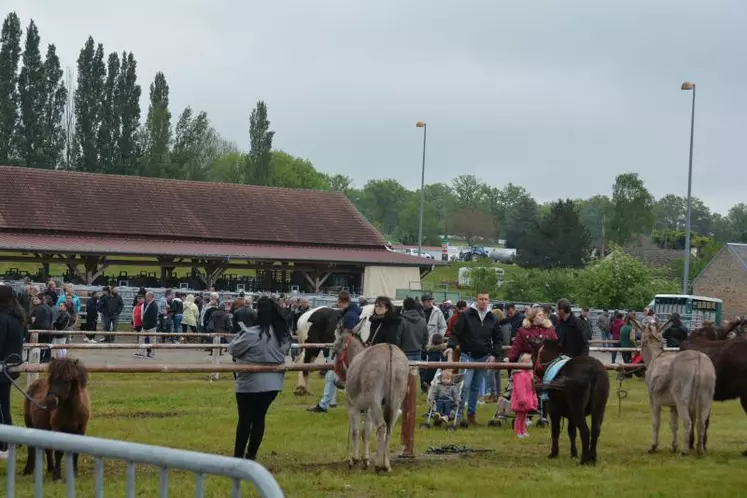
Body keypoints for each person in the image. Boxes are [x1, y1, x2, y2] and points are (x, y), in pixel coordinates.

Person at [228, 296, 291, 460]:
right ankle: (251, 455)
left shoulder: (251, 333)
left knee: (244, 420)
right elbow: (284, 351)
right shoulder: (282, 334)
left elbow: (233, 349)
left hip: (249, 384)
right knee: (259, 419)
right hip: (273, 385)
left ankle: (237, 456)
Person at [447, 291, 503, 426]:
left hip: (484, 357)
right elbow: (456, 332)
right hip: (468, 355)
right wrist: (451, 346)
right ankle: (459, 415)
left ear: (488, 300)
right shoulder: (466, 315)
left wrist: (494, 355)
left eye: (486, 299)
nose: (483, 301)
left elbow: (498, 338)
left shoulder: (492, 318)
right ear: (476, 300)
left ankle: (471, 414)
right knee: (465, 386)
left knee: (476, 388)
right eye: (481, 299)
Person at [308, 290, 360, 413]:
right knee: (331, 376)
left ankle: (325, 404)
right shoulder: (350, 314)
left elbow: (346, 337)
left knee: (332, 376)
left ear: (342, 301)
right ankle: (327, 403)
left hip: (345, 352)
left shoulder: (349, 316)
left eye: (338, 302)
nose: (337, 305)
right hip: (347, 351)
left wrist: (339, 350)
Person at [0, 284, 26, 457]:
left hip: (2, 367)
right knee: (4, 406)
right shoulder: (18, 316)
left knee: (1, 409)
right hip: (12, 366)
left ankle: (4, 445)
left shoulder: (2, 318)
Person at [511, 353, 538, 439]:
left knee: (524, 416)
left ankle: (523, 430)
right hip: (521, 400)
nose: (527, 364)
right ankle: (518, 431)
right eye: (525, 362)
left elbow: (531, 389)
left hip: (527, 399)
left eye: (529, 362)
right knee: (519, 416)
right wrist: (522, 400)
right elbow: (520, 389)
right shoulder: (520, 375)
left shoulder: (530, 374)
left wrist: (533, 399)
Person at [399, 297, 428, 361]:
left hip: (403, 353)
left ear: (404, 307)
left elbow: (398, 337)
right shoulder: (422, 320)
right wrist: (421, 347)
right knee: (416, 371)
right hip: (418, 353)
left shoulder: (401, 320)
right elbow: (426, 338)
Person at [135, 292, 159, 359]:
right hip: (144, 325)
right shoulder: (145, 303)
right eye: (146, 296)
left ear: (151, 297)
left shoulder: (154, 305)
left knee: (152, 341)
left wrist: (147, 325)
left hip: (151, 326)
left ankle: (152, 354)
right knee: (141, 339)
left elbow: (153, 317)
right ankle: (141, 353)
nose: (146, 298)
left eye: (147, 296)